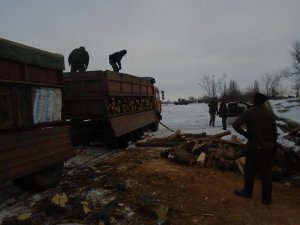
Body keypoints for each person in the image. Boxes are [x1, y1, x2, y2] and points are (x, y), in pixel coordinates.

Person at [232, 93, 277, 205]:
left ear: (254, 101)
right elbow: (274, 131)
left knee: (249, 170)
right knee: (267, 172)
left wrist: (246, 135)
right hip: (267, 147)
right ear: (263, 101)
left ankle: (247, 192)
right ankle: (267, 199)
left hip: (254, 147)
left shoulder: (249, 112)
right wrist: (273, 143)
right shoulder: (270, 113)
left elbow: (235, 124)